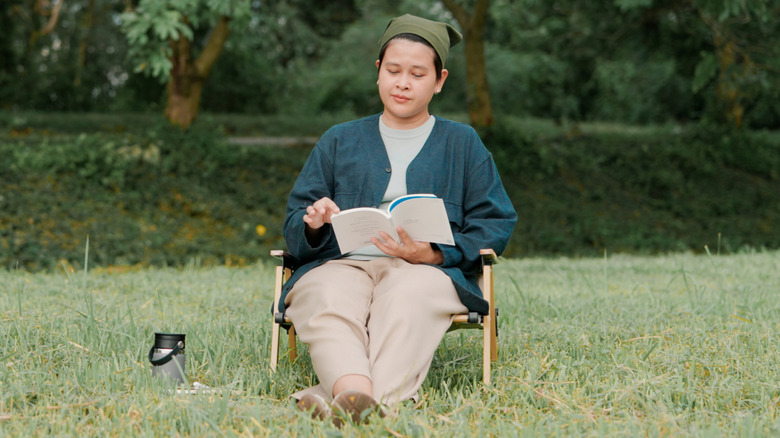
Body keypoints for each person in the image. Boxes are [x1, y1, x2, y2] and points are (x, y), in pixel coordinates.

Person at [279, 13, 517, 424]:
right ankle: (366, 402)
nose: (402, 82)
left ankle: (344, 397)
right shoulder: (339, 139)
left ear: (439, 80)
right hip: (343, 262)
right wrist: (313, 222)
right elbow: (296, 220)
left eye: (417, 74)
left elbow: (496, 222)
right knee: (324, 295)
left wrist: (436, 254)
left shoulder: (463, 143)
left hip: (423, 270)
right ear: (378, 72)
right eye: (393, 70)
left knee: (410, 296)